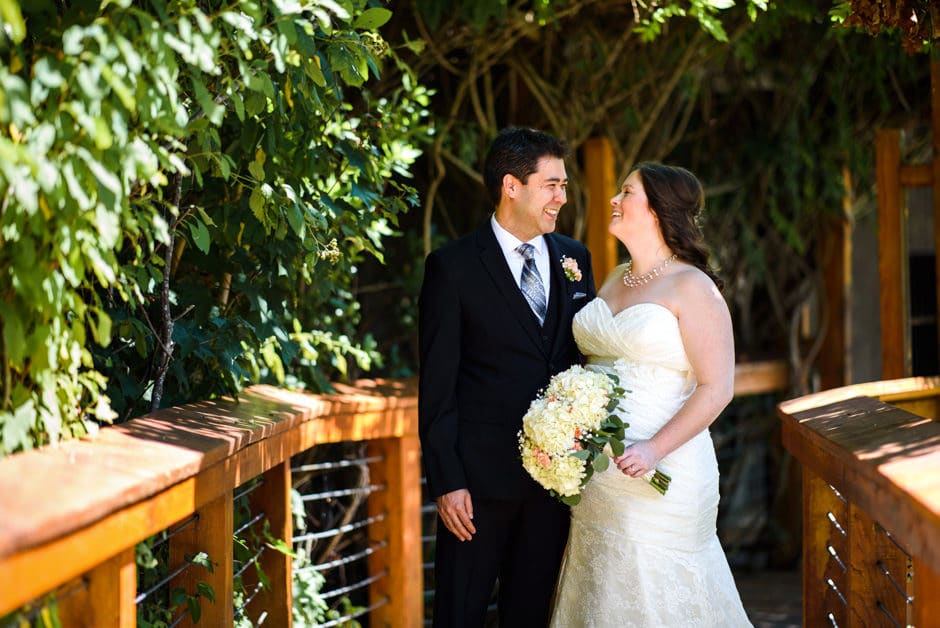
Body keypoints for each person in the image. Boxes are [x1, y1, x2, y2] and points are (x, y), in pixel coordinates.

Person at [550, 162, 752, 627]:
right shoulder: (614, 279)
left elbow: (717, 387)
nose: (614, 201)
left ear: (658, 210)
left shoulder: (694, 286)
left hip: (664, 473)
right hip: (601, 482)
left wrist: (652, 448)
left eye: (627, 192)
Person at [419, 127, 596, 627]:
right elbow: (437, 389)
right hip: (475, 492)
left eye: (564, 185)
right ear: (511, 186)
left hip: (551, 487)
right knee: (460, 615)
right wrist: (447, 482)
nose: (563, 196)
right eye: (552, 184)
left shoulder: (574, 259)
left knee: (531, 616)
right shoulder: (452, 269)